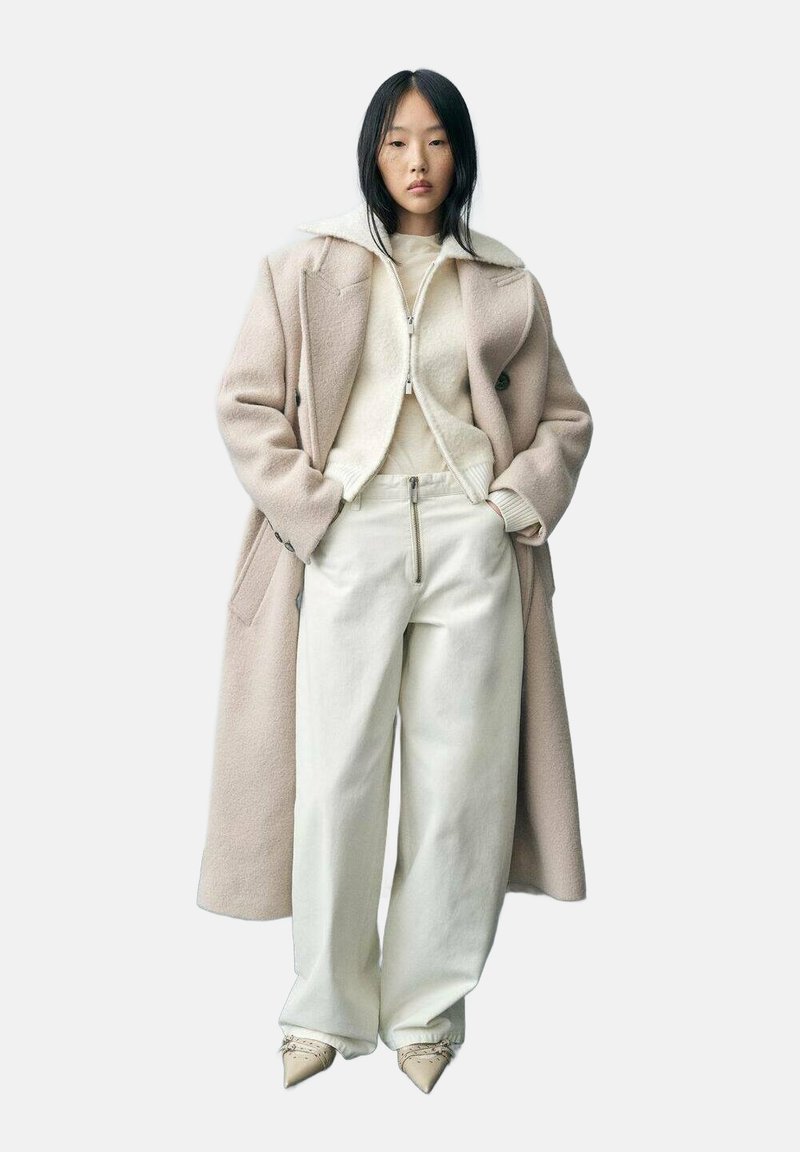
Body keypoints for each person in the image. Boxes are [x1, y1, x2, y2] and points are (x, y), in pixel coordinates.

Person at [196, 69, 594, 1095]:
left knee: (460, 784)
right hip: (350, 531)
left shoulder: (504, 280)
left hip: (469, 537)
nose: (417, 162)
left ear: (461, 154)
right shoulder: (305, 264)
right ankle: (322, 1011)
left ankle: (427, 1010)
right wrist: (312, 509)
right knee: (336, 779)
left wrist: (511, 503)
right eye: (396, 141)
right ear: (371, 152)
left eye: (436, 142)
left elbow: (563, 416)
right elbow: (245, 402)